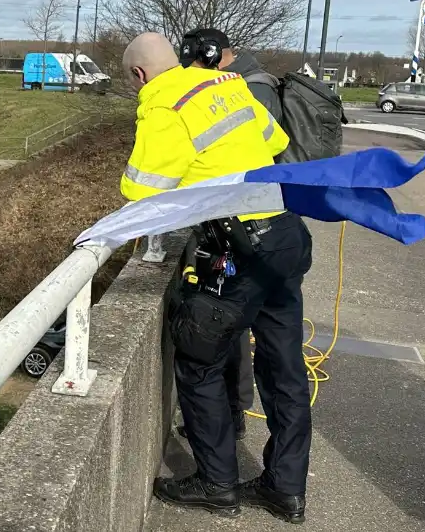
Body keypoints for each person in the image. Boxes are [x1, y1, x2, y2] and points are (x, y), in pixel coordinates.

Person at [122, 32, 313, 524]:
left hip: (239, 245)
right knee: (284, 368)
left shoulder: (163, 106)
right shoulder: (226, 84)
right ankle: (285, 489)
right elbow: (276, 140)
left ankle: (217, 483)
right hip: (285, 233)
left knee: (200, 357)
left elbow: (140, 190)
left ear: (139, 75)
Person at [177, 28, 268, 439]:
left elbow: (260, 153)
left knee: (226, 330)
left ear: (209, 56)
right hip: (259, 228)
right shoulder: (242, 85)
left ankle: (228, 426)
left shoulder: (246, 90)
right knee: (241, 329)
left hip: (248, 230)